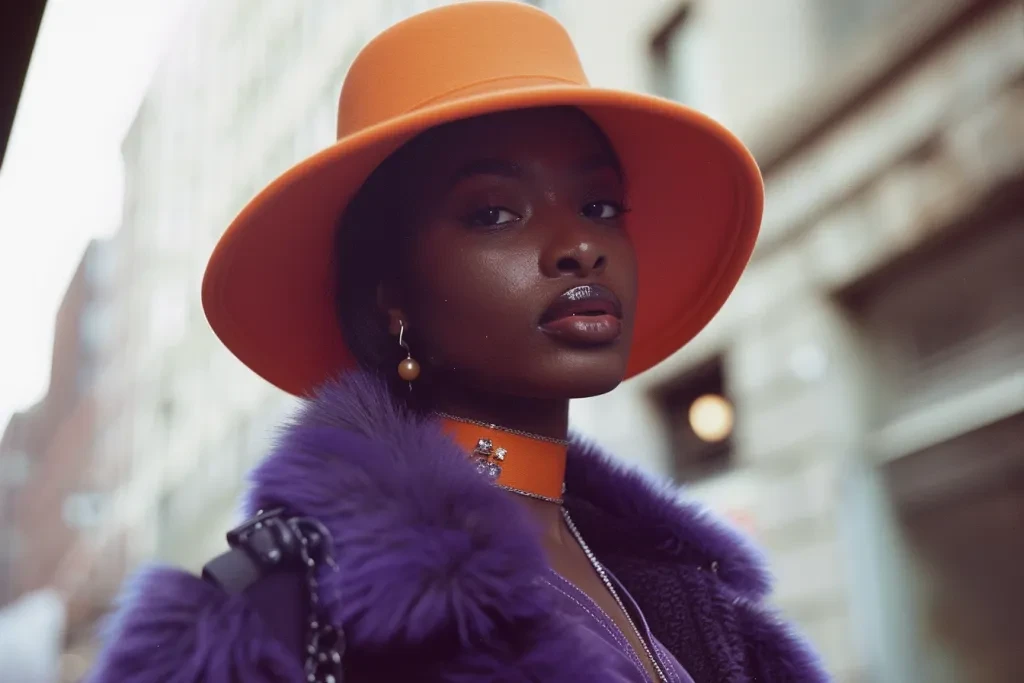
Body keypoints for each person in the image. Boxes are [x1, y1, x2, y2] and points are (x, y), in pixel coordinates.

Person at [87, 3, 829, 682]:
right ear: (393, 299)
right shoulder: (273, 611)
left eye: (600, 205)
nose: (579, 245)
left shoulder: (681, 588)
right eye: (495, 213)